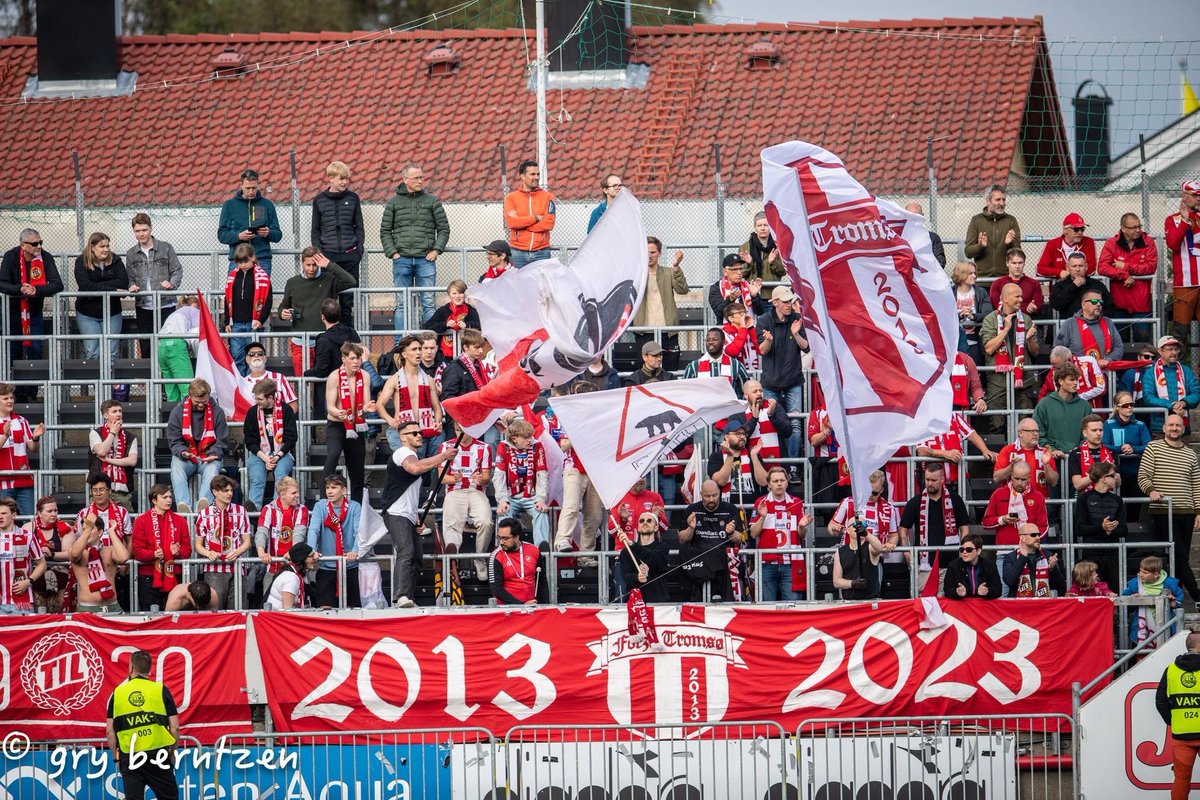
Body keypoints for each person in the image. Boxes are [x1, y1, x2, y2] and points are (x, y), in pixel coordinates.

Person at [383, 421, 458, 608]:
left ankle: (408, 597)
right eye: (414, 433)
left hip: (407, 514)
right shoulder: (403, 453)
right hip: (396, 512)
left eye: (420, 433)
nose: (419, 436)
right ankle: (401, 596)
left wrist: (415, 516)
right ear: (402, 437)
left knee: (417, 557)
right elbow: (415, 468)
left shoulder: (413, 455)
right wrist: (443, 456)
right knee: (406, 551)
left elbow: (409, 494)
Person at [1140, 413, 1200, 603]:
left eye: (1178, 425)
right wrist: (1151, 490)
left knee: (1182, 557)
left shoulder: (1190, 454)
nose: (1174, 428)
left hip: (1187, 511)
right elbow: (1143, 476)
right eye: (1171, 425)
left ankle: (1176, 600)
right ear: (1164, 428)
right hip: (1164, 510)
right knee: (1180, 555)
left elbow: (1196, 484)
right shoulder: (1153, 447)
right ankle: (1197, 597)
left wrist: (1198, 511)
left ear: (1183, 429)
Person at [106, 650, 180, 800]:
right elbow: (175, 728)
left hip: (130, 757)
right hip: (159, 755)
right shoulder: (160, 689)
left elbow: (110, 732)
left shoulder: (118, 693)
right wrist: (172, 751)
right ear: (150, 668)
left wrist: (116, 757)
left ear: (131, 667)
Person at [546, 384, 603, 565]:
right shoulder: (568, 416)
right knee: (571, 505)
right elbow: (563, 445)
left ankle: (586, 555)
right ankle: (562, 540)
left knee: (594, 516)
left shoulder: (601, 417)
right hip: (573, 467)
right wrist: (581, 431)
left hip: (595, 469)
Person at [279, 247, 358, 376]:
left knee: (328, 380)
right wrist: (282, 313)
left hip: (325, 342)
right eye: (308, 265)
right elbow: (283, 305)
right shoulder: (292, 282)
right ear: (302, 263)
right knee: (303, 380)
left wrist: (329, 265)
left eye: (315, 265)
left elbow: (351, 281)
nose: (311, 268)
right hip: (300, 342)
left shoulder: (329, 279)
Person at [0, 229, 64, 374]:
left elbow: (57, 284)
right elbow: (2, 283)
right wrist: (20, 289)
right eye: (34, 244)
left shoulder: (45, 257)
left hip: (35, 312)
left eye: (40, 242)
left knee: (35, 349)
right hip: (12, 312)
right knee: (13, 350)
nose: (39, 246)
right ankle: (13, 386)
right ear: (23, 245)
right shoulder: (10, 256)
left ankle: (32, 387)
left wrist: (36, 290)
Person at [981, 282, 1041, 432]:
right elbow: (989, 348)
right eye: (1017, 296)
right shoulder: (990, 319)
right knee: (996, 424)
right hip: (998, 381)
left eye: (1021, 296)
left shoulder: (1026, 319)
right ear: (1005, 298)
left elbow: (1035, 352)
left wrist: (1030, 340)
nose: (1021, 299)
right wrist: (1006, 329)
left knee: (1025, 423)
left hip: (1023, 380)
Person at [440, 422, 494, 581]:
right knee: (451, 522)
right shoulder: (445, 447)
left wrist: (481, 479)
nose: (460, 434)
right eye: (457, 430)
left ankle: (479, 557)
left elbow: (486, 477)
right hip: (455, 490)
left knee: (486, 522)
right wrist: (453, 479)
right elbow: (441, 477)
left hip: (476, 491)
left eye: (463, 431)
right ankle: (452, 558)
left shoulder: (484, 447)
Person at [311, 160, 365, 319]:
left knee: (348, 300)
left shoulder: (353, 198)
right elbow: (315, 229)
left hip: (350, 255)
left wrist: (358, 250)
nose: (344, 182)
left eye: (346, 178)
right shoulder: (319, 200)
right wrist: (319, 253)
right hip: (328, 257)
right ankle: (330, 331)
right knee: (328, 301)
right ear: (331, 178)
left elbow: (359, 226)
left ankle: (348, 332)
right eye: (341, 179)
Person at [125, 212, 183, 359]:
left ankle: (166, 375)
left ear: (151, 228)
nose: (141, 234)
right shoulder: (131, 253)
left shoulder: (166, 248)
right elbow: (129, 277)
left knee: (168, 346)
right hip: (143, 306)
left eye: (144, 230)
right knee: (146, 347)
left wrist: (171, 284)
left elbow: (177, 270)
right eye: (137, 231)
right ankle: (149, 374)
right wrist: (131, 286)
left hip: (165, 304)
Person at [749, 467, 812, 601]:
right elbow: (753, 534)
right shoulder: (761, 502)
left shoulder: (796, 502)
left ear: (787, 482)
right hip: (766, 562)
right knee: (767, 607)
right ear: (769, 484)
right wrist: (762, 517)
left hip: (791, 562)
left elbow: (802, 535)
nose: (779, 484)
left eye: (782, 480)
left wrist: (802, 526)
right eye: (775, 481)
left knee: (793, 606)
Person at [898, 463, 970, 579]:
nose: (930, 483)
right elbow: (903, 529)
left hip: (951, 564)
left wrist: (963, 550)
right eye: (927, 480)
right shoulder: (915, 502)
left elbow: (964, 528)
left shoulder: (955, 499)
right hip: (924, 565)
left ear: (942, 479)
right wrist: (907, 553)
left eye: (934, 480)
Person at [323, 342, 375, 501]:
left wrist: (367, 407)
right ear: (343, 359)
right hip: (337, 425)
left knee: (357, 470)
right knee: (333, 456)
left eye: (358, 358)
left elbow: (365, 402)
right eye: (352, 358)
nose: (356, 362)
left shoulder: (364, 376)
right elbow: (330, 407)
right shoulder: (334, 376)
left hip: (356, 425)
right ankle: (323, 502)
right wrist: (338, 412)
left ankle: (357, 508)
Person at [167, 379, 228, 514]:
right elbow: (174, 440)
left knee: (212, 469)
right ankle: (183, 505)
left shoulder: (217, 412)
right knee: (176, 466)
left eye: (204, 401)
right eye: (197, 402)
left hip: (209, 456)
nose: (201, 405)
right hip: (187, 457)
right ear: (190, 396)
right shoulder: (177, 412)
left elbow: (222, 440)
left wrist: (213, 453)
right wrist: (182, 452)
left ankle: (204, 503)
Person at [302, 473, 361, 608]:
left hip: (350, 567)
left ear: (344, 490)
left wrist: (355, 551)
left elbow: (359, 532)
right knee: (325, 610)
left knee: (353, 610)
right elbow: (313, 530)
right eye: (327, 487)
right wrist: (312, 551)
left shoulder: (355, 507)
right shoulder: (320, 506)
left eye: (334, 488)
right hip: (326, 567)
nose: (329, 491)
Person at [378, 334, 444, 454]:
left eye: (419, 349)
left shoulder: (429, 380)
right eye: (414, 349)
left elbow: (437, 408)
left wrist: (437, 422)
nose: (418, 352)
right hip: (403, 430)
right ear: (404, 354)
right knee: (409, 463)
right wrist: (390, 420)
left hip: (426, 428)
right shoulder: (394, 379)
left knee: (434, 463)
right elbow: (379, 405)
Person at [679, 480, 743, 602]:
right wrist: (691, 528)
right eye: (707, 496)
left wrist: (731, 532)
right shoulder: (692, 510)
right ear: (701, 494)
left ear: (719, 492)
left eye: (714, 495)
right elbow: (682, 540)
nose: (711, 500)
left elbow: (739, 539)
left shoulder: (730, 509)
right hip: (699, 563)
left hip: (724, 564)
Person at [193, 475, 251, 609]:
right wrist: (208, 553)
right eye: (225, 491)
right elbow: (197, 545)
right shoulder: (204, 514)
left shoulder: (241, 511)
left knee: (238, 611)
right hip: (214, 568)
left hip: (237, 567)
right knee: (214, 610)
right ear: (215, 492)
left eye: (231, 490)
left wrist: (237, 552)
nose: (230, 494)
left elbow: (247, 542)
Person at [74, 231, 129, 369]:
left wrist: (98, 286)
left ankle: (111, 382)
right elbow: (85, 285)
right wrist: (113, 289)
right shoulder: (81, 261)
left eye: (107, 246)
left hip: (112, 312)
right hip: (87, 314)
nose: (106, 249)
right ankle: (95, 382)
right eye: (102, 246)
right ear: (92, 247)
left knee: (112, 353)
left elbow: (123, 282)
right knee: (93, 352)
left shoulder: (115, 260)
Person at [1155, 630, 1200, 800]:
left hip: (1182, 736)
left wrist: (1174, 721)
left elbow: (1160, 702)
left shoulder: (1171, 670)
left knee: (1181, 779)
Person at [130, 485, 190, 612]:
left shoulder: (180, 521)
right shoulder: (141, 521)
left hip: (174, 575)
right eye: (164, 497)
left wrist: (177, 553)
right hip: (149, 576)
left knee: (173, 617)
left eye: (170, 497)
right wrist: (153, 554)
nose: (169, 500)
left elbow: (187, 550)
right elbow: (137, 551)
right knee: (151, 616)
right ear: (154, 500)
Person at [1099, 212, 1158, 341]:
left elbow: (1151, 267)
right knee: (1119, 341)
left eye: (1139, 226)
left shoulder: (1148, 242)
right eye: (1133, 227)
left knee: (1142, 340)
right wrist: (1124, 275)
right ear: (1123, 228)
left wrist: (1126, 266)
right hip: (1118, 302)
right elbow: (1102, 267)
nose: (1138, 230)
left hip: (1141, 303)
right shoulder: (1111, 243)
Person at [633, 236, 689, 369]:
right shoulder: (636, 274)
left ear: (659, 253)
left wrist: (676, 267)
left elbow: (682, 289)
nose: (649, 256)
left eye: (653, 252)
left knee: (671, 368)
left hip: (668, 330)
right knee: (646, 371)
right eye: (646, 252)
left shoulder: (669, 272)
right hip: (644, 330)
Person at [493, 419, 550, 548]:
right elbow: (499, 475)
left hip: (532, 496)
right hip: (510, 497)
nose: (530, 440)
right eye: (525, 438)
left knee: (541, 512)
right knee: (503, 513)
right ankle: (504, 549)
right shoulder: (503, 446)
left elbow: (542, 474)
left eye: (530, 436)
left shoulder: (537, 445)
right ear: (514, 438)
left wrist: (540, 499)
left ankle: (542, 550)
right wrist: (502, 500)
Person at [244, 378, 298, 511]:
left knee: (281, 476)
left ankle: (276, 510)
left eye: (260, 399)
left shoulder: (286, 410)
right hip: (259, 454)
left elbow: (291, 439)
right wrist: (265, 458)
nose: (257, 401)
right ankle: (253, 511)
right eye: (256, 398)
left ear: (270, 397)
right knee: (257, 479)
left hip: (282, 453)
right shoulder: (252, 412)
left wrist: (277, 456)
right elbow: (250, 442)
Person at [217, 168, 282, 276]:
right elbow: (221, 235)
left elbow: (278, 235)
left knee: (261, 287)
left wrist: (268, 233)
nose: (251, 191)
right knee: (236, 287)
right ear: (241, 185)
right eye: (247, 188)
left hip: (262, 259)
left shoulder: (267, 205)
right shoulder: (229, 205)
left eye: (254, 188)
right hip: (238, 260)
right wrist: (239, 236)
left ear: (258, 185)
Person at [254, 476, 310, 601]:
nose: (297, 495)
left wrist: (293, 552)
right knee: (269, 606)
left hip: (295, 567)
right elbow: (261, 532)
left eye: (297, 492)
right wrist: (261, 552)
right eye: (294, 493)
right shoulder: (268, 509)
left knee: (297, 606)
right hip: (272, 568)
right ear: (283, 495)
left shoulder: (302, 510)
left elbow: (299, 534)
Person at [222, 243, 273, 376]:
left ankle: (253, 383)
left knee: (254, 357)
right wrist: (227, 322)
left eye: (246, 261)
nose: (243, 265)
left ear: (253, 258)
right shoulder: (232, 277)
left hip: (253, 323)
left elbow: (268, 301)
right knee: (237, 355)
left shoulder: (262, 277)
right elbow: (227, 300)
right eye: (240, 262)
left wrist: (261, 320)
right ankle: (241, 383)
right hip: (236, 323)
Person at [1074, 460, 1127, 590]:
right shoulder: (1084, 498)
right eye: (1112, 475)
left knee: (1115, 591)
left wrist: (1110, 530)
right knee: (1093, 591)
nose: (1116, 478)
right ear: (1103, 479)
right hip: (1091, 553)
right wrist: (1102, 528)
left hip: (1113, 553)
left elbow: (1124, 530)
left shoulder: (1117, 500)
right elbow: (1080, 529)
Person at [0, 381, 45, 516]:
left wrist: (35, 438)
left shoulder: (21, 421)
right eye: (6, 398)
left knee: (29, 520)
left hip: (23, 479)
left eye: (11, 397)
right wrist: (5, 436)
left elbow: (33, 448)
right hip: (2, 482)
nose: (10, 401)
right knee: (3, 521)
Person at [69, 511, 128, 613]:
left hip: (112, 607)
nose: (86, 532)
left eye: (91, 528)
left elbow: (123, 557)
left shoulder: (109, 550)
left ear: (100, 532)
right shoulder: (80, 552)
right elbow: (74, 555)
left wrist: (111, 532)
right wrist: (88, 528)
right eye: (84, 529)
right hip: (87, 609)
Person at [1140, 335, 1200, 436]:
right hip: (1159, 428)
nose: (1174, 352)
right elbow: (1148, 397)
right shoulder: (1150, 372)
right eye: (1170, 349)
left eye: (1176, 349)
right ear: (1160, 351)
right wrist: (1172, 405)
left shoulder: (1186, 370)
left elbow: (1196, 393)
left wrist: (1184, 402)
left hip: (1182, 428)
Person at [1105, 391, 1151, 521]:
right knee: (1115, 509)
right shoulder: (1108, 424)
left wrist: (1133, 449)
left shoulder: (1140, 425)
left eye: (1132, 404)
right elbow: (1104, 445)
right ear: (1117, 407)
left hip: (1136, 473)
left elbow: (1148, 445)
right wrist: (1120, 448)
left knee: (1134, 509)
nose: (1129, 407)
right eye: (1125, 405)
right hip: (1115, 473)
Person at [994, 417, 1060, 504]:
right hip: (1013, 503)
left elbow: (1053, 482)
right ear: (1021, 433)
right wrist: (1011, 467)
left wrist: (1046, 465)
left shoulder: (1044, 453)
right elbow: (996, 478)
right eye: (1032, 431)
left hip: (1039, 504)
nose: (1036, 434)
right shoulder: (1008, 451)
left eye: (1037, 431)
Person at [1165, 179, 1200, 347]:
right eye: (1195, 195)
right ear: (1184, 196)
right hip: (1185, 282)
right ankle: (1176, 364)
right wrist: (1185, 222)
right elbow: (1173, 244)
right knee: (1180, 332)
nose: (1198, 198)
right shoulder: (1172, 219)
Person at [1053, 283, 1122, 366]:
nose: (1098, 304)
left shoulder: (1108, 322)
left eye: (1100, 302)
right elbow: (1058, 350)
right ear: (1083, 305)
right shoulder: (1069, 324)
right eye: (1094, 301)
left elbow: (1119, 347)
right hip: (1076, 371)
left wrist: (1108, 360)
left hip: (1104, 371)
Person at [981, 460, 1047, 546]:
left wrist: (1032, 540)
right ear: (1011, 476)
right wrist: (1003, 520)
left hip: (1030, 549)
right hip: (1004, 550)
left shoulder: (1038, 497)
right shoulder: (998, 494)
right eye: (1017, 478)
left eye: (1023, 479)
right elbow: (985, 523)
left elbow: (1044, 526)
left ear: (1029, 478)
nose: (1019, 483)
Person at [504, 160, 555, 269]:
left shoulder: (548, 197)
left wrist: (523, 225)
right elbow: (512, 223)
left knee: (542, 281)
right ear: (522, 176)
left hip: (541, 252)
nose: (536, 177)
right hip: (517, 252)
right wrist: (536, 218)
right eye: (532, 174)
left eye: (538, 174)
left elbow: (549, 224)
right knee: (517, 281)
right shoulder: (511, 198)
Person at [89, 399, 139, 510]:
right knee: (98, 520)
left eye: (120, 411)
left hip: (122, 492)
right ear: (105, 416)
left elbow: (132, 461)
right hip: (100, 489)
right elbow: (102, 451)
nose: (118, 414)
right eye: (114, 411)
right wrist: (112, 432)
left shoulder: (130, 437)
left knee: (125, 519)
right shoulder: (95, 433)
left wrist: (108, 460)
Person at [26, 496, 73, 612]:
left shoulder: (64, 527)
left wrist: (52, 554)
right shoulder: (28, 528)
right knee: (39, 614)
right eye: (49, 511)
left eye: (55, 510)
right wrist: (37, 554)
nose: (53, 514)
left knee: (55, 613)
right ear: (39, 513)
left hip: (59, 572)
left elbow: (71, 554)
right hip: (36, 573)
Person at [1033, 361, 1090, 458]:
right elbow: (1037, 433)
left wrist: (1079, 450)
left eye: (1076, 379)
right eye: (1071, 380)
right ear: (1060, 381)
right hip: (1051, 458)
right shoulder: (1044, 404)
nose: (1075, 383)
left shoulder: (1085, 405)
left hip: (1079, 458)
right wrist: (1052, 449)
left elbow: (1089, 433)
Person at [1126, 556, 1185, 648]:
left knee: (1164, 648)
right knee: (1139, 650)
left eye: (1145, 572)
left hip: (1164, 624)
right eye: (1140, 571)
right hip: (1142, 625)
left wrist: (1173, 602)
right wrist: (1133, 597)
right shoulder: (1135, 584)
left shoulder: (1169, 584)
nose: (1141, 574)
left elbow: (1179, 597)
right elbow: (1124, 596)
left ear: (1156, 574)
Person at [965, 184, 1021, 278]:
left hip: (1005, 278)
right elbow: (968, 252)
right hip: (982, 279)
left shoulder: (1011, 221)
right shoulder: (976, 221)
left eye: (1004, 200)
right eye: (998, 200)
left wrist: (1009, 244)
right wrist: (980, 246)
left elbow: (1018, 254)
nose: (1002, 203)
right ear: (988, 201)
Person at [709, 415, 769, 504]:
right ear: (726, 437)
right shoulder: (716, 456)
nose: (742, 436)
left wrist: (754, 456)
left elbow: (764, 482)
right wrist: (730, 456)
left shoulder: (753, 455)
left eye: (743, 434)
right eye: (737, 434)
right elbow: (721, 481)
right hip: (727, 508)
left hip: (751, 507)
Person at [0, 497, 46, 611]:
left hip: (22, 602)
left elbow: (42, 564)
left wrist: (28, 581)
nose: (0, 517)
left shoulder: (27, 536)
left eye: (4, 513)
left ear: (13, 515)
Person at [617, 512, 671, 603]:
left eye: (649, 521)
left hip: (659, 602)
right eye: (641, 521)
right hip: (635, 602)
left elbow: (654, 560)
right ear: (638, 527)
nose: (645, 522)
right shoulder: (626, 552)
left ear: (656, 527)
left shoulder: (663, 547)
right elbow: (625, 575)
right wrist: (637, 577)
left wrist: (632, 544)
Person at [683, 327, 750, 398]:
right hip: (703, 404)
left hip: (729, 404)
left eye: (715, 339)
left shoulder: (736, 365)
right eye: (708, 340)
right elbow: (686, 391)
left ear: (723, 342)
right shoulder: (693, 366)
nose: (710, 342)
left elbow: (746, 392)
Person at [741, 380, 794, 470]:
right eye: (754, 391)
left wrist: (772, 416)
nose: (759, 393)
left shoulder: (774, 406)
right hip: (751, 467)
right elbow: (739, 437)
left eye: (760, 391)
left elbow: (788, 432)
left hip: (777, 468)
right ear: (745, 395)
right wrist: (754, 419)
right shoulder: (739, 411)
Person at [1000, 525, 1066, 597]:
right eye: (1033, 535)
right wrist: (1022, 558)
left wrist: (1052, 569)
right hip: (1020, 603)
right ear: (1022, 538)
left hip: (1043, 602)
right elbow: (1010, 581)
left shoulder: (1047, 556)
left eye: (1038, 535)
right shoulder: (1011, 557)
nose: (1038, 537)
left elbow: (1061, 585)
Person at [489, 518, 542, 605]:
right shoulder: (496, 556)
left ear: (516, 538)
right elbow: (496, 589)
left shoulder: (534, 550)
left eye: (505, 538)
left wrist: (544, 606)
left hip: (532, 607)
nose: (501, 542)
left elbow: (542, 581)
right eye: (499, 538)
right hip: (506, 609)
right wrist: (521, 605)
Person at [157, 296, 199, 404]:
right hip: (176, 346)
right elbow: (195, 338)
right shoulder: (195, 312)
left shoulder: (176, 313)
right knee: (187, 388)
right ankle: (188, 413)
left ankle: (172, 413)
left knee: (171, 391)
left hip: (162, 345)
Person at [1036, 345, 1106, 410]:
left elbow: (1100, 388)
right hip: (1064, 413)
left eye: (1058, 367)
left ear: (1069, 360)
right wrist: (1043, 410)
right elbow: (1042, 395)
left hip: (1091, 412)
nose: (1055, 369)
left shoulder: (1089, 362)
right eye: (1053, 366)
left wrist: (1075, 398)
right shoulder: (1052, 372)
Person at [832, 516, 884, 600]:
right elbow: (836, 581)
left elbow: (879, 548)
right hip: (849, 601)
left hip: (870, 600)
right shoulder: (840, 552)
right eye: (856, 525)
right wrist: (853, 583)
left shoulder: (870, 547)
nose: (860, 527)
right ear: (848, 530)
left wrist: (867, 534)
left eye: (863, 525)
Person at [427, 279, 481, 358]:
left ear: (465, 294)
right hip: (443, 355)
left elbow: (481, 326)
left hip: (467, 354)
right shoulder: (443, 310)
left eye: (460, 293)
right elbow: (428, 326)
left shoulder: (471, 310)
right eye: (454, 293)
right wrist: (445, 325)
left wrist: (467, 325)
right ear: (449, 295)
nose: (457, 296)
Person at [1037, 212, 1098, 280]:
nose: (1080, 232)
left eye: (1082, 229)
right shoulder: (1052, 244)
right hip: (1059, 285)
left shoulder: (1088, 242)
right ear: (1065, 230)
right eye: (1076, 229)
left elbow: (1091, 268)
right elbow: (1040, 269)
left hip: (1082, 284)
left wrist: (1069, 274)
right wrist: (1059, 272)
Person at [952, 262, 992, 365]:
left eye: (974, 273)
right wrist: (960, 315)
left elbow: (988, 313)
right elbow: (944, 315)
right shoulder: (950, 292)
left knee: (976, 367)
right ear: (961, 274)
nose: (974, 276)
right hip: (955, 338)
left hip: (975, 338)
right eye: (970, 273)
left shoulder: (981, 292)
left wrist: (972, 316)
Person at [1067, 413, 1115, 496]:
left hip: (1108, 498)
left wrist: (1113, 474)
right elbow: (1078, 485)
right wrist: (1100, 472)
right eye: (1094, 430)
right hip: (1086, 499)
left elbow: (1118, 483)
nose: (1098, 433)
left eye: (1101, 430)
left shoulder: (1111, 453)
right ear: (1085, 433)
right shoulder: (1075, 454)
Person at [987, 249, 1041, 322]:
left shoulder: (1034, 284)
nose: (1017, 266)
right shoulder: (997, 284)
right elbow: (995, 306)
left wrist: (1033, 308)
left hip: (1026, 322)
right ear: (1007, 263)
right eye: (1014, 263)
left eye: (1020, 263)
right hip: (1002, 322)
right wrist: (1024, 309)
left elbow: (1038, 307)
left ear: (1024, 263)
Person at [943, 532, 1001, 600]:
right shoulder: (953, 566)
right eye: (962, 549)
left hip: (982, 604)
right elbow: (947, 590)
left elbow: (998, 590)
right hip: (962, 604)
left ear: (978, 551)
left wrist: (987, 592)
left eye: (969, 550)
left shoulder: (990, 565)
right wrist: (957, 592)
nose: (964, 552)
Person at [242, 342, 298, 412]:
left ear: (265, 358)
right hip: (252, 418)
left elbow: (293, 404)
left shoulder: (279, 378)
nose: (256, 356)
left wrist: (284, 418)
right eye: (252, 354)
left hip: (278, 418)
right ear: (247, 359)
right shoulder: (242, 383)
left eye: (260, 354)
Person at [708, 253, 765, 319]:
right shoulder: (717, 288)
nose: (739, 272)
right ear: (725, 272)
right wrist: (730, 300)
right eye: (734, 269)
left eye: (741, 269)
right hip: (727, 325)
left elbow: (760, 312)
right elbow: (719, 313)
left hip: (748, 324)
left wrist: (754, 296)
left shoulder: (748, 286)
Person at [263, 542, 316, 610]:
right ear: (302, 558)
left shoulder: (298, 574)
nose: (315, 558)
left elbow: (316, 567)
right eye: (312, 556)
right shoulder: (291, 578)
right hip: (277, 615)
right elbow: (287, 610)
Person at [744, 210, 784, 283]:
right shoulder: (745, 248)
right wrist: (749, 263)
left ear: (770, 226)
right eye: (759, 225)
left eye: (766, 225)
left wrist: (773, 262)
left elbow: (783, 272)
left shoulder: (778, 247)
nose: (763, 228)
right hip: (751, 288)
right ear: (755, 227)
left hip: (772, 288)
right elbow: (740, 274)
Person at [721, 302, 761, 371]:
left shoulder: (751, 330)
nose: (744, 315)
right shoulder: (724, 333)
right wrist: (743, 328)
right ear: (731, 318)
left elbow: (761, 350)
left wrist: (751, 328)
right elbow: (733, 352)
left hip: (753, 372)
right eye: (740, 313)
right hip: (735, 372)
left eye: (744, 312)